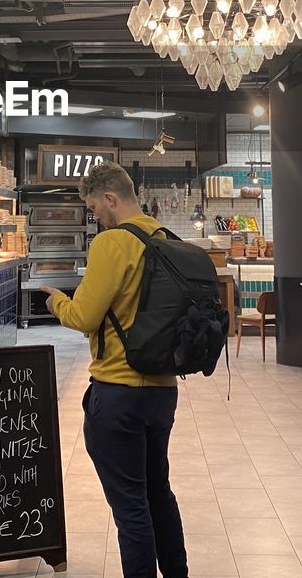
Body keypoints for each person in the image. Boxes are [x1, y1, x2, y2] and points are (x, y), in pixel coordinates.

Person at [39, 161, 187, 578]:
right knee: (159, 493)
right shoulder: (165, 237)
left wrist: (55, 303)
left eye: (94, 207)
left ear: (110, 198)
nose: (95, 217)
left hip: (119, 391)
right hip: (162, 390)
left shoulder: (112, 243)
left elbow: (85, 315)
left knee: (131, 506)